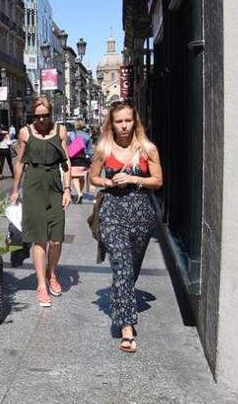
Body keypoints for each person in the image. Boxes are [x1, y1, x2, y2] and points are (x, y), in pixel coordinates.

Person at [89, 101, 163, 353]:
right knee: (121, 265)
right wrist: (109, 183)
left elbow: (158, 181)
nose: (123, 125)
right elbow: (93, 177)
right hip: (112, 211)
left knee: (130, 270)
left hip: (140, 212)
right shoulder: (103, 148)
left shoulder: (147, 148)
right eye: (118, 121)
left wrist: (132, 178)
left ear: (135, 121)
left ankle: (121, 297)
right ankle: (127, 328)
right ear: (111, 123)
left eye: (127, 121)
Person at [10, 96, 72, 307]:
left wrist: (67, 189)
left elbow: (66, 161)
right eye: (38, 116)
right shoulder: (25, 133)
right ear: (32, 115)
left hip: (55, 184)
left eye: (46, 115)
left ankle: (51, 273)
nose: (42, 120)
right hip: (34, 185)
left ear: (51, 114)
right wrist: (15, 189)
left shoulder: (61, 131)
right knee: (40, 238)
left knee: (56, 238)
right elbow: (19, 162)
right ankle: (41, 286)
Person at [68, 120, 94, 203]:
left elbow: (68, 145)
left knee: (75, 176)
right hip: (84, 158)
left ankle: (79, 193)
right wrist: (91, 158)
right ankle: (80, 192)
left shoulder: (72, 134)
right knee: (82, 177)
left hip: (74, 158)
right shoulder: (87, 136)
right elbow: (90, 150)